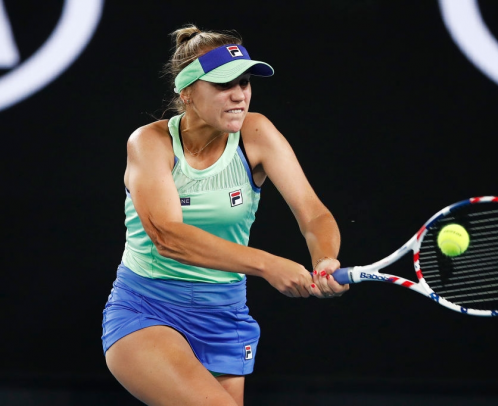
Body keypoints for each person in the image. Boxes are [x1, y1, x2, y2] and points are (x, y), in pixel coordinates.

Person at [101, 24, 349, 406]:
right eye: (222, 85)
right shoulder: (149, 143)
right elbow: (167, 237)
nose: (239, 96)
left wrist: (325, 259)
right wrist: (267, 265)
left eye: (245, 83)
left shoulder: (258, 132)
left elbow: (313, 215)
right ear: (187, 92)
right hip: (147, 307)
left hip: (225, 314)